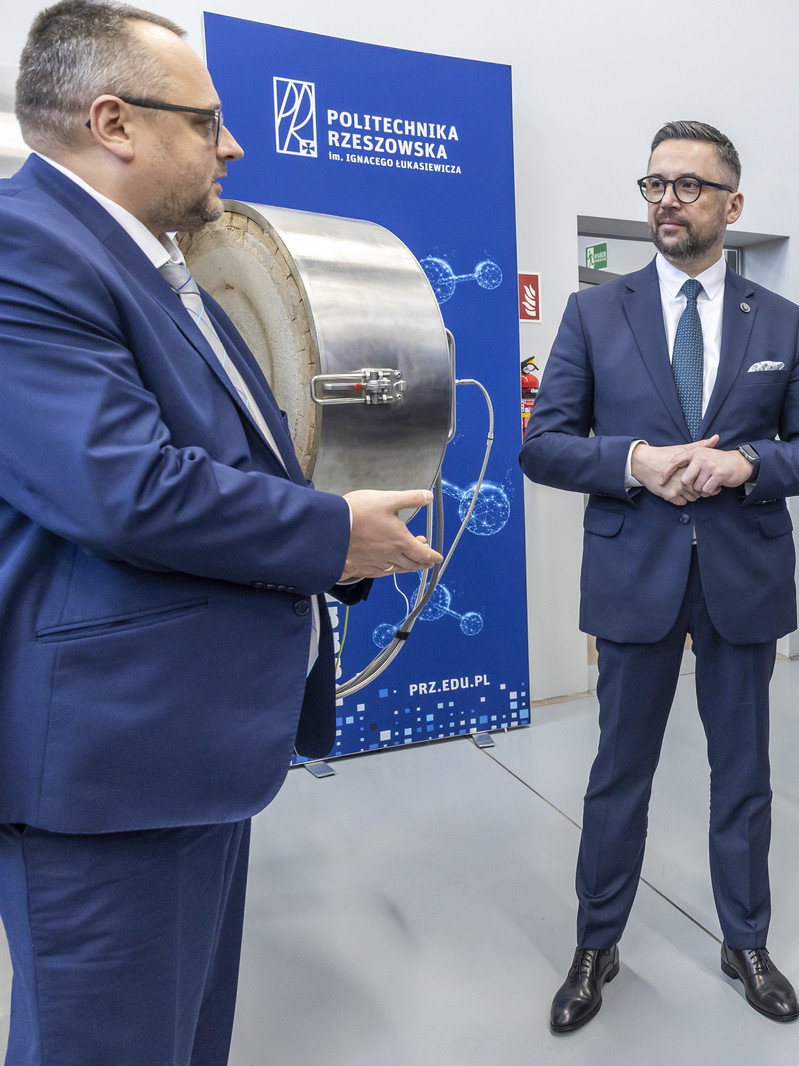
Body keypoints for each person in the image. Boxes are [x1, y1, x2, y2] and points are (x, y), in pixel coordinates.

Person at [0, 4, 441, 1064]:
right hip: (110, 765)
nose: (231, 145)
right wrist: (330, 535)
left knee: (181, 1036)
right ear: (113, 122)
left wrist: (331, 540)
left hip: (185, 742)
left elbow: (232, 459)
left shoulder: (147, 259)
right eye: (206, 122)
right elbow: (125, 488)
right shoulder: (25, 248)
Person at [519, 119, 799, 1032]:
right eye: (655, 184)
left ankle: (747, 940)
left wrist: (747, 464)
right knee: (619, 771)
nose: (667, 200)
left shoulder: (780, 321)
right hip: (636, 575)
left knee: (743, 772)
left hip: (741, 576)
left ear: (732, 206)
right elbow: (543, 445)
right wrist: (634, 461)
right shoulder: (594, 313)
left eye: (688, 186)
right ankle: (596, 941)